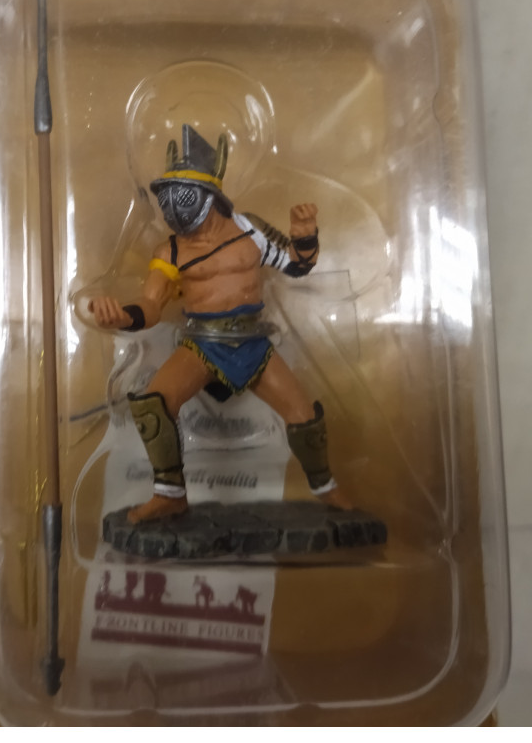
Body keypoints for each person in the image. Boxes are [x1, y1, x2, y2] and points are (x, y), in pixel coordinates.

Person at [89, 125, 355, 523]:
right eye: (166, 197)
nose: (173, 207)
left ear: (210, 195)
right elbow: (152, 304)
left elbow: (296, 266)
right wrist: (122, 317)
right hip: (202, 343)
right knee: (154, 404)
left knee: (302, 414)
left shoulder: (250, 229)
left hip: (252, 342)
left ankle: (325, 487)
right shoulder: (171, 250)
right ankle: (169, 494)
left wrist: (305, 237)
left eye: (182, 195)